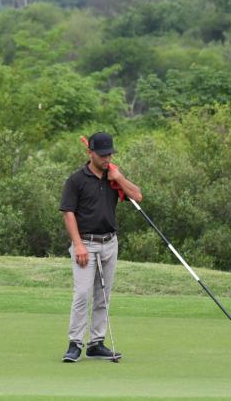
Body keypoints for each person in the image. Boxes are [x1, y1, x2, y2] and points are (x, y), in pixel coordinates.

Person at [60, 131, 142, 363]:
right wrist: (78, 245)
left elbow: (137, 195)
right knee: (82, 293)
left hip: (109, 243)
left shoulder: (112, 178)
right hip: (85, 243)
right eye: (102, 154)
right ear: (91, 153)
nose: (107, 158)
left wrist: (119, 177)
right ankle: (75, 343)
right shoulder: (76, 180)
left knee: (102, 296)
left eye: (109, 154)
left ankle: (96, 343)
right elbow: (68, 213)